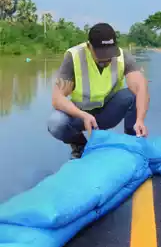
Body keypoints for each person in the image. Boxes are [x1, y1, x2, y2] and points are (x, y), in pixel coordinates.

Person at [47, 22, 150, 159]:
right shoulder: (74, 56)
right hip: (82, 116)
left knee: (131, 95)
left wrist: (140, 120)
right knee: (56, 122)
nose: (106, 59)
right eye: (101, 53)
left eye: (109, 53)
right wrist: (83, 115)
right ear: (89, 47)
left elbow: (140, 87)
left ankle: (132, 140)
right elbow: (57, 98)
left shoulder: (122, 56)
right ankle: (80, 146)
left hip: (109, 112)